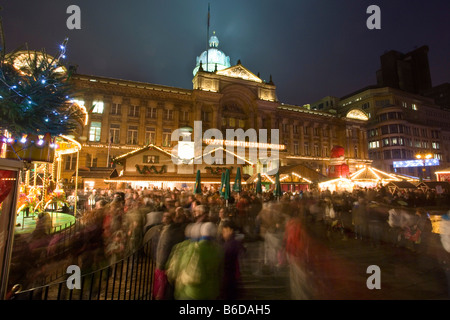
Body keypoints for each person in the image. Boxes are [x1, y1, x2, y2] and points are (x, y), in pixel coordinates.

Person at [220, 220, 245, 300]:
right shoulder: (233, 243)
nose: (223, 234)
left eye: (224, 231)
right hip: (234, 277)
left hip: (230, 277)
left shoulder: (231, 244)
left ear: (230, 230)